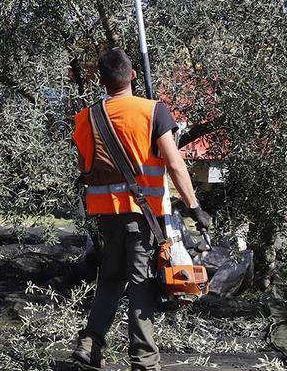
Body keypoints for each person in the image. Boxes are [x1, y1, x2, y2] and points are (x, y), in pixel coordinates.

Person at [70, 48, 212, 371]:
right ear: (133, 75)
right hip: (141, 215)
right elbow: (174, 163)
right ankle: (145, 360)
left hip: (105, 217)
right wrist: (194, 206)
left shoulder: (86, 118)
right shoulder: (153, 112)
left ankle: (89, 344)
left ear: (102, 81)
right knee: (140, 283)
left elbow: (84, 167)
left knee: (111, 278)